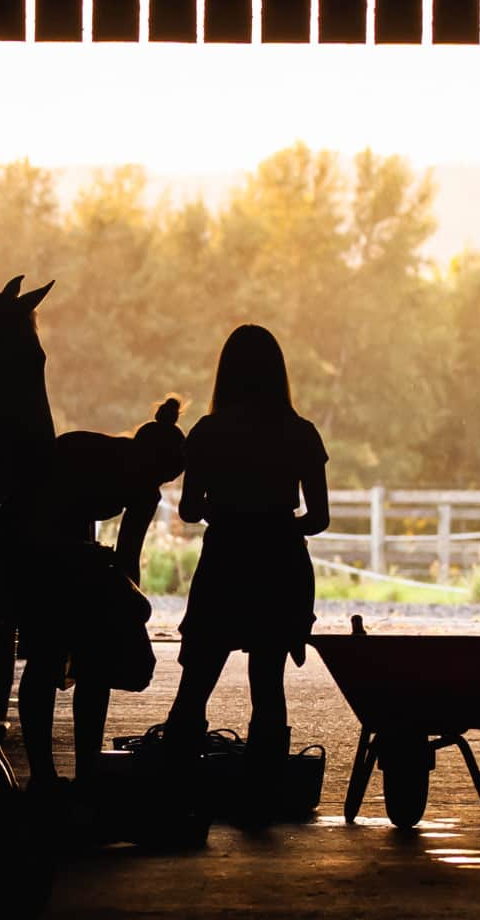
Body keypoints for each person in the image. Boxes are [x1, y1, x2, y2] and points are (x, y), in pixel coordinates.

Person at [162, 324, 330, 816]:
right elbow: (317, 519)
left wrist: (230, 511)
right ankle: (263, 800)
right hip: (280, 562)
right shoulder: (300, 433)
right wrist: (275, 521)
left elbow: (190, 510)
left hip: (226, 560)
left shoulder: (209, 433)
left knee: (196, 683)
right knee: (267, 684)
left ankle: (176, 796)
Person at [15, 397, 186, 790]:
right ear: (141, 455)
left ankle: (73, 774)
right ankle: (59, 775)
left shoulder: (134, 480)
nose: (153, 485)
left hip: (61, 555)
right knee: (53, 661)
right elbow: (41, 512)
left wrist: (127, 610)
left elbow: (128, 557)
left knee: (78, 663)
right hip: (37, 550)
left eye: (161, 481)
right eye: (155, 475)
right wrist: (125, 606)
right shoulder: (83, 450)